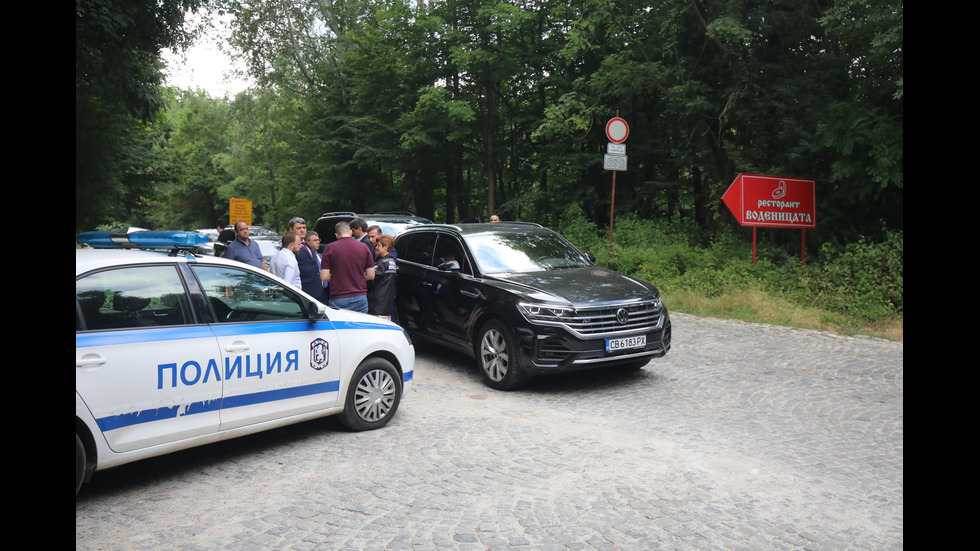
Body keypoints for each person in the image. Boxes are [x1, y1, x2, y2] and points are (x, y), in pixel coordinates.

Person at [320, 221, 375, 313]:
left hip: (338, 297)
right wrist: (358, 276)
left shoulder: (329, 248)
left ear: (336, 235)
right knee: (360, 326)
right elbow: (371, 275)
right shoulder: (364, 247)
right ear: (350, 232)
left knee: (341, 327)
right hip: (360, 296)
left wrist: (338, 277)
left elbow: (324, 277)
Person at [289, 217, 326, 302]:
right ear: (291, 230)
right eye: (299, 228)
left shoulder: (306, 244)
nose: (302, 230)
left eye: (304, 228)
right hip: (305, 291)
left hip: (318, 291)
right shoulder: (291, 247)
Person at [368, 235, 398, 320]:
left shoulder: (381, 263)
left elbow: (371, 281)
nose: (376, 248)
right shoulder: (391, 262)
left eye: (378, 245)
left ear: (386, 247)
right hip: (386, 306)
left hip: (377, 307)